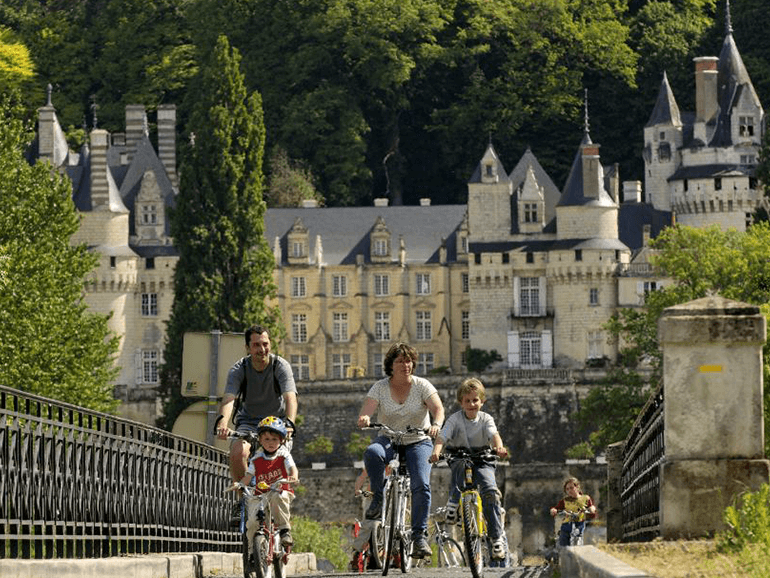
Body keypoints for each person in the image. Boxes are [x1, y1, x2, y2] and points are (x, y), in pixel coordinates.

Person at [357, 342, 445, 560]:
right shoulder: (380, 387)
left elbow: (438, 409)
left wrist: (436, 423)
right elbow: (367, 410)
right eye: (400, 361)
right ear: (391, 365)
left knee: (421, 484)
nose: (405, 364)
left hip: (418, 440)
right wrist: (365, 418)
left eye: (408, 360)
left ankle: (419, 536)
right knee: (372, 453)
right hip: (389, 438)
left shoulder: (422, 385)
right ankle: (378, 498)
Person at [429, 377, 509, 560]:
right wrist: (436, 452)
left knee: (490, 491)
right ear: (461, 402)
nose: (472, 404)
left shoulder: (486, 418)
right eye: (467, 401)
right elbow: (442, 437)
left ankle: (496, 537)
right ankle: (453, 501)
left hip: (482, 457)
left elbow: (494, 435)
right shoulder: (455, 419)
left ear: (482, 401)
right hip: (459, 454)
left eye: (475, 400)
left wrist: (499, 447)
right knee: (459, 467)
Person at [215, 325, 298, 483]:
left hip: (277, 423)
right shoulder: (239, 369)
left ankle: (274, 500)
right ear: (247, 348)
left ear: (270, 344)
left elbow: (290, 398)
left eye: (265, 344)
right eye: (256, 345)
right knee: (237, 453)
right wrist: (223, 423)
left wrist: (289, 424)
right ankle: (244, 501)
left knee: (276, 463)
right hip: (249, 422)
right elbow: (229, 400)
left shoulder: (280, 366)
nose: (262, 349)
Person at [236, 416, 299, 548]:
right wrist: (240, 484)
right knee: (252, 521)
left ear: (281, 440)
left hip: (279, 489)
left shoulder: (284, 454)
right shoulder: (256, 458)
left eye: (274, 439)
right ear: (260, 440)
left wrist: (293, 476)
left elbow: (292, 468)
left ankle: (284, 530)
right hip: (261, 493)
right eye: (266, 439)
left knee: (278, 497)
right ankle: (253, 550)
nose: (270, 443)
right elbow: (248, 475)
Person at [549, 476, 597, 546]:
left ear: (577, 487)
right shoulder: (565, 501)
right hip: (567, 524)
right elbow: (557, 508)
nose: (569, 491)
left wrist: (592, 509)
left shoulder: (585, 498)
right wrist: (554, 510)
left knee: (578, 538)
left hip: (579, 523)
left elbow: (591, 506)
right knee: (563, 541)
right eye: (567, 489)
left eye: (571, 488)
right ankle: (562, 552)